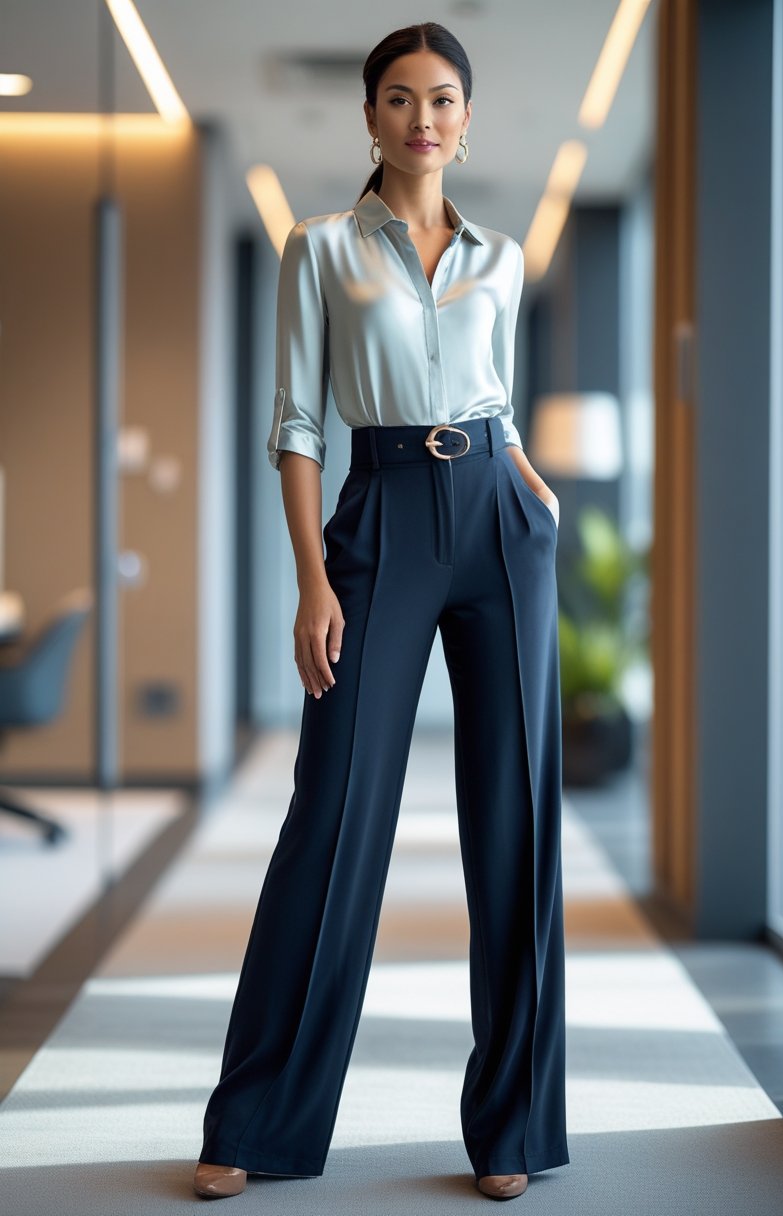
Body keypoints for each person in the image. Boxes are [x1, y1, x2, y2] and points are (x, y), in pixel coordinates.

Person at [193, 20, 569, 1203]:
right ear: (369, 117)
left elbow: (498, 397)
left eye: (442, 98)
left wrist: (522, 475)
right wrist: (312, 577)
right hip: (379, 518)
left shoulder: (503, 257)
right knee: (335, 813)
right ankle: (255, 1118)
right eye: (399, 97)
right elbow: (296, 425)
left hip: (500, 523)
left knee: (513, 817)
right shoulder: (319, 248)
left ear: (467, 119)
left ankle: (510, 1125)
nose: (421, 117)